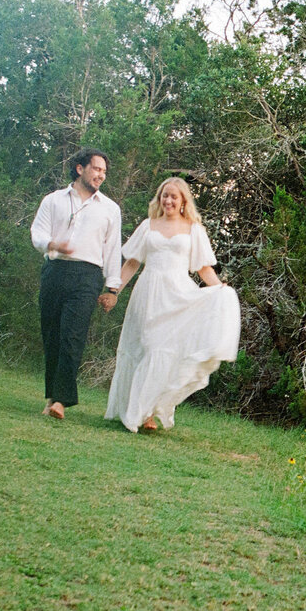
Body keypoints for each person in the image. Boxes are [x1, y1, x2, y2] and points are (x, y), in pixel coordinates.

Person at [105, 177, 240, 432]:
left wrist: (219, 289)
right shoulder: (148, 226)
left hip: (177, 295)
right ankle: (140, 412)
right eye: (164, 195)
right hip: (149, 293)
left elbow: (203, 267)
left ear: (183, 201)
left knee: (164, 350)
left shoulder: (193, 229)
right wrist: (114, 291)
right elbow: (132, 263)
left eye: (173, 197)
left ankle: (149, 413)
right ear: (159, 198)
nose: (168, 200)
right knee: (147, 347)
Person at [30, 147, 122, 420]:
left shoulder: (110, 209)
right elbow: (37, 232)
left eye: (104, 171)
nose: (101, 175)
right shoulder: (53, 200)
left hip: (88, 276)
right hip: (55, 271)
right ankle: (51, 396)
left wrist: (112, 288)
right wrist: (51, 244)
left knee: (72, 337)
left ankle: (61, 401)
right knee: (53, 336)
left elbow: (113, 249)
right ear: (80, 168)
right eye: (96, 169)